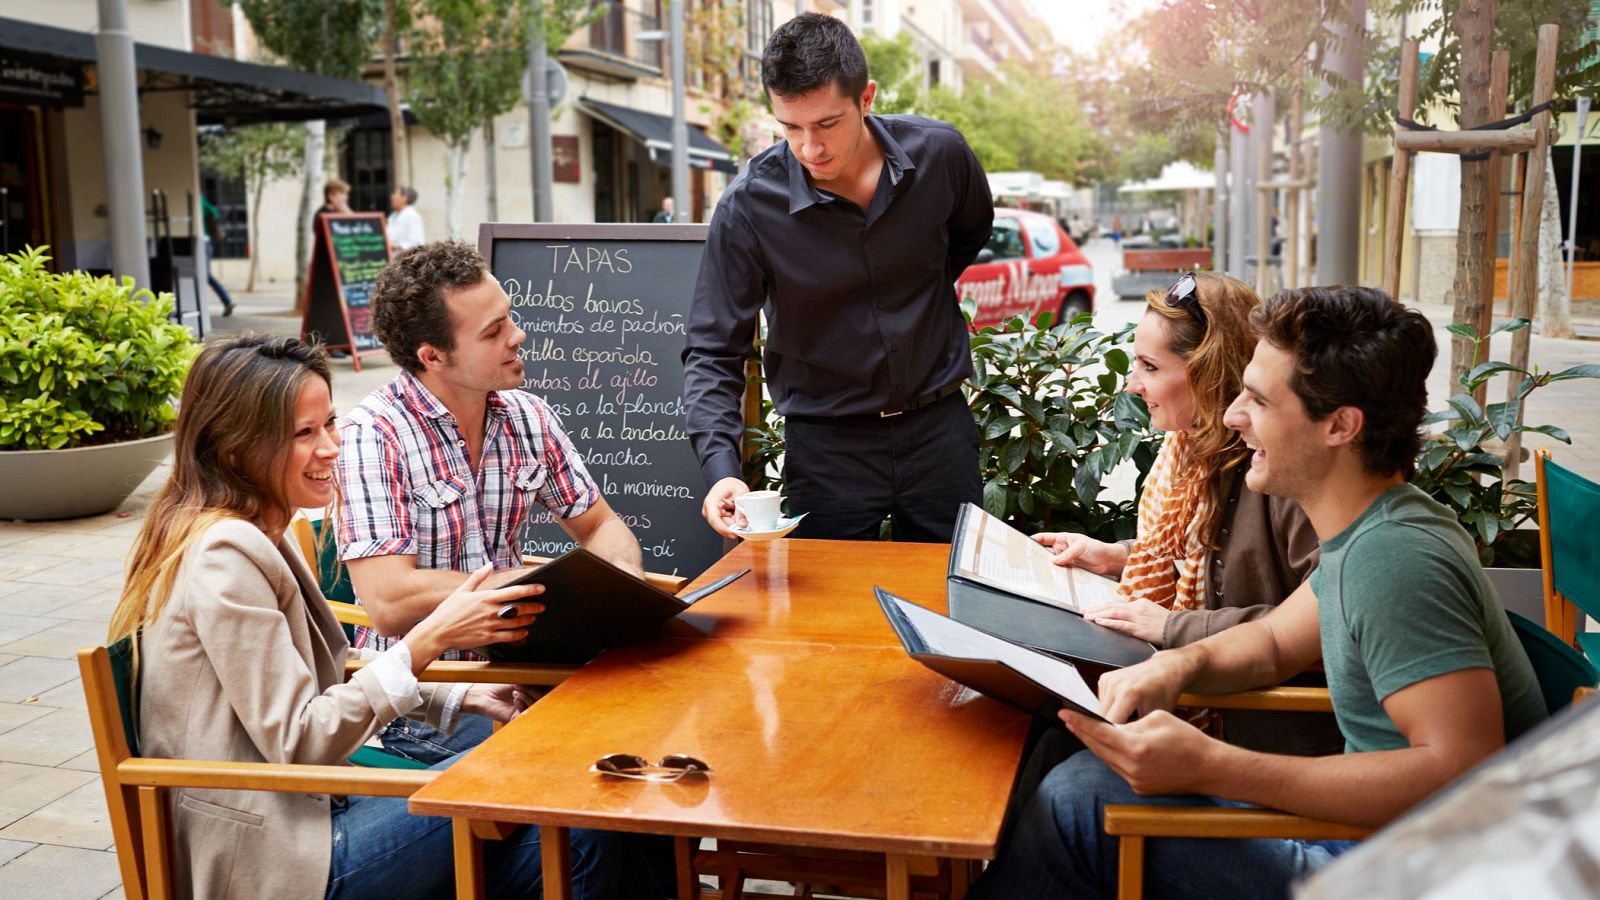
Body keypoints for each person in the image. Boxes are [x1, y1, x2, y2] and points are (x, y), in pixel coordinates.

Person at [970, 286, 1548, 899]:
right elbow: (1274, 641)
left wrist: (1214, 766)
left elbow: (1462, 771)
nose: (1232, 414)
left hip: (1402, 869)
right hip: (1371, 837)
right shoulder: (1374, 532)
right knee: (1080, 777)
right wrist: (1178, 664)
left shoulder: (1396, 561)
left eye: (1259, 399)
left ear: (1340, 426)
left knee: (1078, 799)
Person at [108, 333, 640, 900]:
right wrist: (428, 641)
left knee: (583, 826)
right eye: (303, 434)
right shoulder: (224, 554)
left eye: (330, 423)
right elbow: (299, 739)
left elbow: (318, 677)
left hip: (312, 810)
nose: (332, 447)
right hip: (280, 859)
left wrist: (463, 698)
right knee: (570, 796)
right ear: (237, 449)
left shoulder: (251, 529)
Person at [682, 12, 993, 543]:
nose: (810, 148)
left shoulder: (942, 155)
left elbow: (964, 238)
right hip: (826, 449)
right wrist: (719, 467)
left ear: (866, 98)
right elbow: (713, 349)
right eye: (791, 127)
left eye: (827, 124)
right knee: (820, 617)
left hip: (939, 429)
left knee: (956, 597)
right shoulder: (749, 206)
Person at [336, 240, 643, 763]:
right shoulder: (373, 433)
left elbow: (598, 525)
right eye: (493, 331)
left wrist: (623, 585)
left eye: (509, 318)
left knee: (660, 730)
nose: (518, 336)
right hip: (435, 697)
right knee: (587, 759)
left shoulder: (527, 415)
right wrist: (533, 590)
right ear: (432, 356)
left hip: (530, 669)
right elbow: (389, 603)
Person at [1031, 272, 1332, 760]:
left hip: (1251, 739)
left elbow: (1320, 626)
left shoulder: (1279, 472)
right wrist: (1115, 557)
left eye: (1150, 367)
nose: (1132, 385)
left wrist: (1174, 627)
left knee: (1049, 762)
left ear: (1211, 373)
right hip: (1203, 710)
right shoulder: (1188, 452)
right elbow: (1195, 554)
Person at [199, 193, 235, 317]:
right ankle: (227, 301)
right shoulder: (202, 199)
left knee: (205, 275)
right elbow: (215, 213)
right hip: (206, 241)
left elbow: (214, 214)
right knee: (205, 275)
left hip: (203, 242)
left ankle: (227, 301)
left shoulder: (198, 200)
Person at [388, 185, 425, 250]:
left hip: (404, 258)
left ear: (404, 198)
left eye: (395, 194)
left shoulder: (412, 216)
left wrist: (395, 247)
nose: (392, 196)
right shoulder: (392, 216)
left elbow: (416, 243)